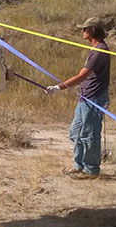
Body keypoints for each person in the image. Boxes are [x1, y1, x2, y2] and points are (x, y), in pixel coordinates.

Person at [45, 17, 111, 179]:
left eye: (84, 29)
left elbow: (81, 76)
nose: (82, 32)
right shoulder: (95, 49)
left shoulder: (99, 51)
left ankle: (91, 170)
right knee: (76, 132)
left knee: (89, 135)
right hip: (85, 97)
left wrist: (58, 87)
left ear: (92, 31)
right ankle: (79, 165)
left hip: (94, 99)